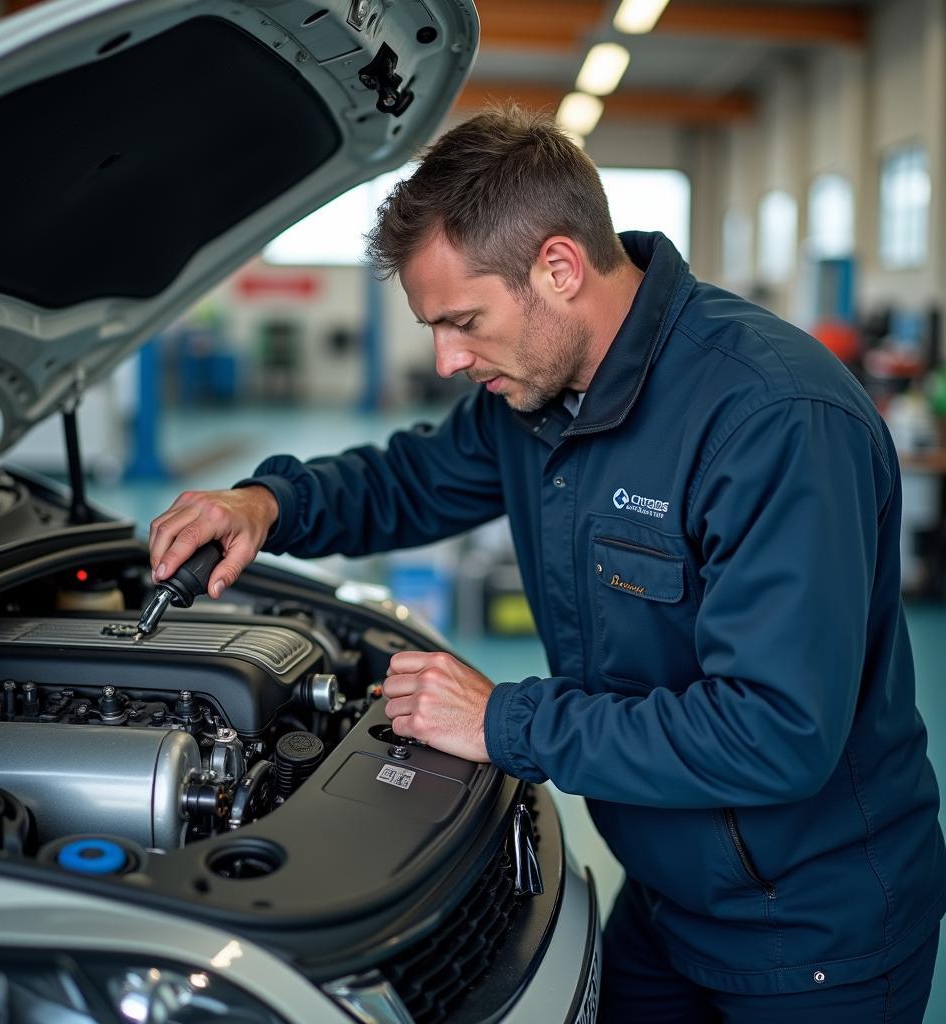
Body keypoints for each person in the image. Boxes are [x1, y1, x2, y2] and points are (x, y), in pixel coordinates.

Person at [149, 106, 944, 1021]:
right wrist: (270, 502)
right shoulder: (537, 392)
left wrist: (505, 722)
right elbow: (412, 478)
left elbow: (774, 731)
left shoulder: (771, 420)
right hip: (665, 887)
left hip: (811, 931)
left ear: (559, 269)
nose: (447, 358)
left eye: (463, 321)